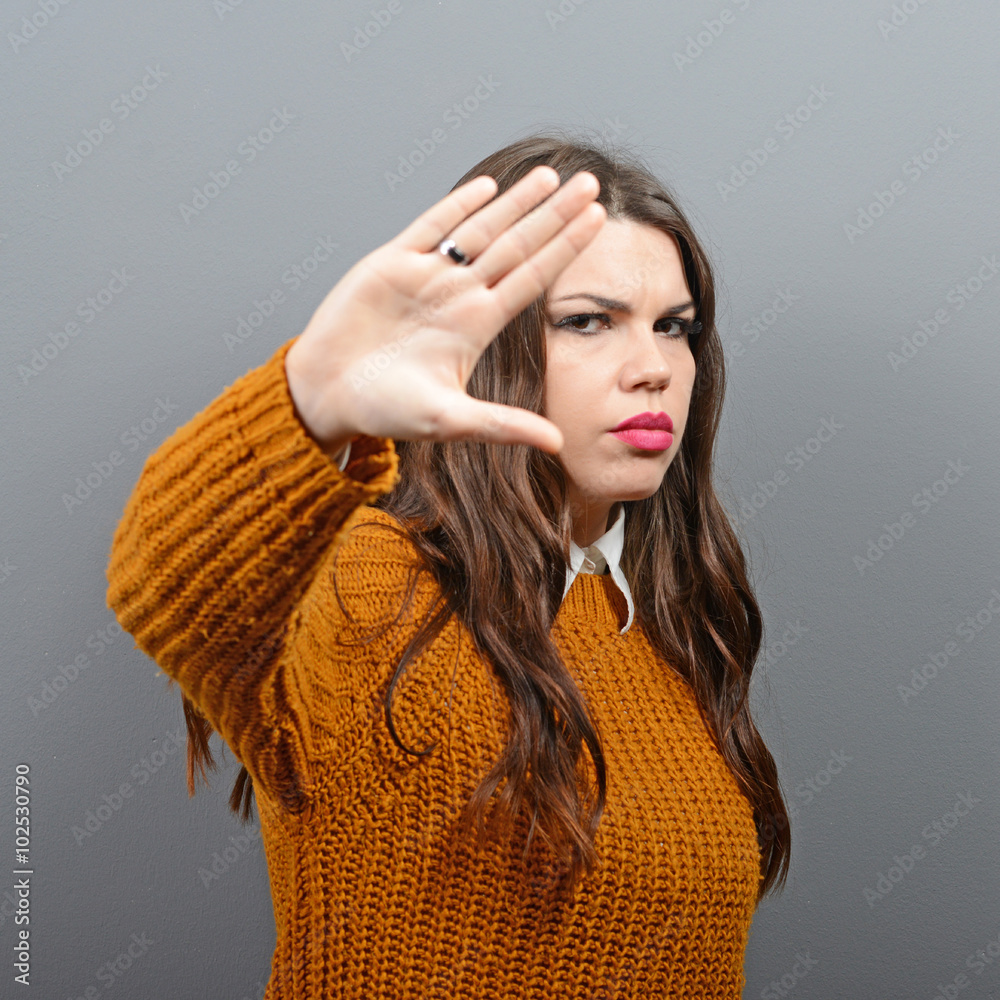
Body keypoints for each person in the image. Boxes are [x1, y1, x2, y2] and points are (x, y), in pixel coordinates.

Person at [105, 130, 791, 999]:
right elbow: (168, 571)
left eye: (675, 328)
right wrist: (314, 396)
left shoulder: (670, 621)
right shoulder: (377, 589)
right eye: (587, 321)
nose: (653, 368)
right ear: (489, 346)